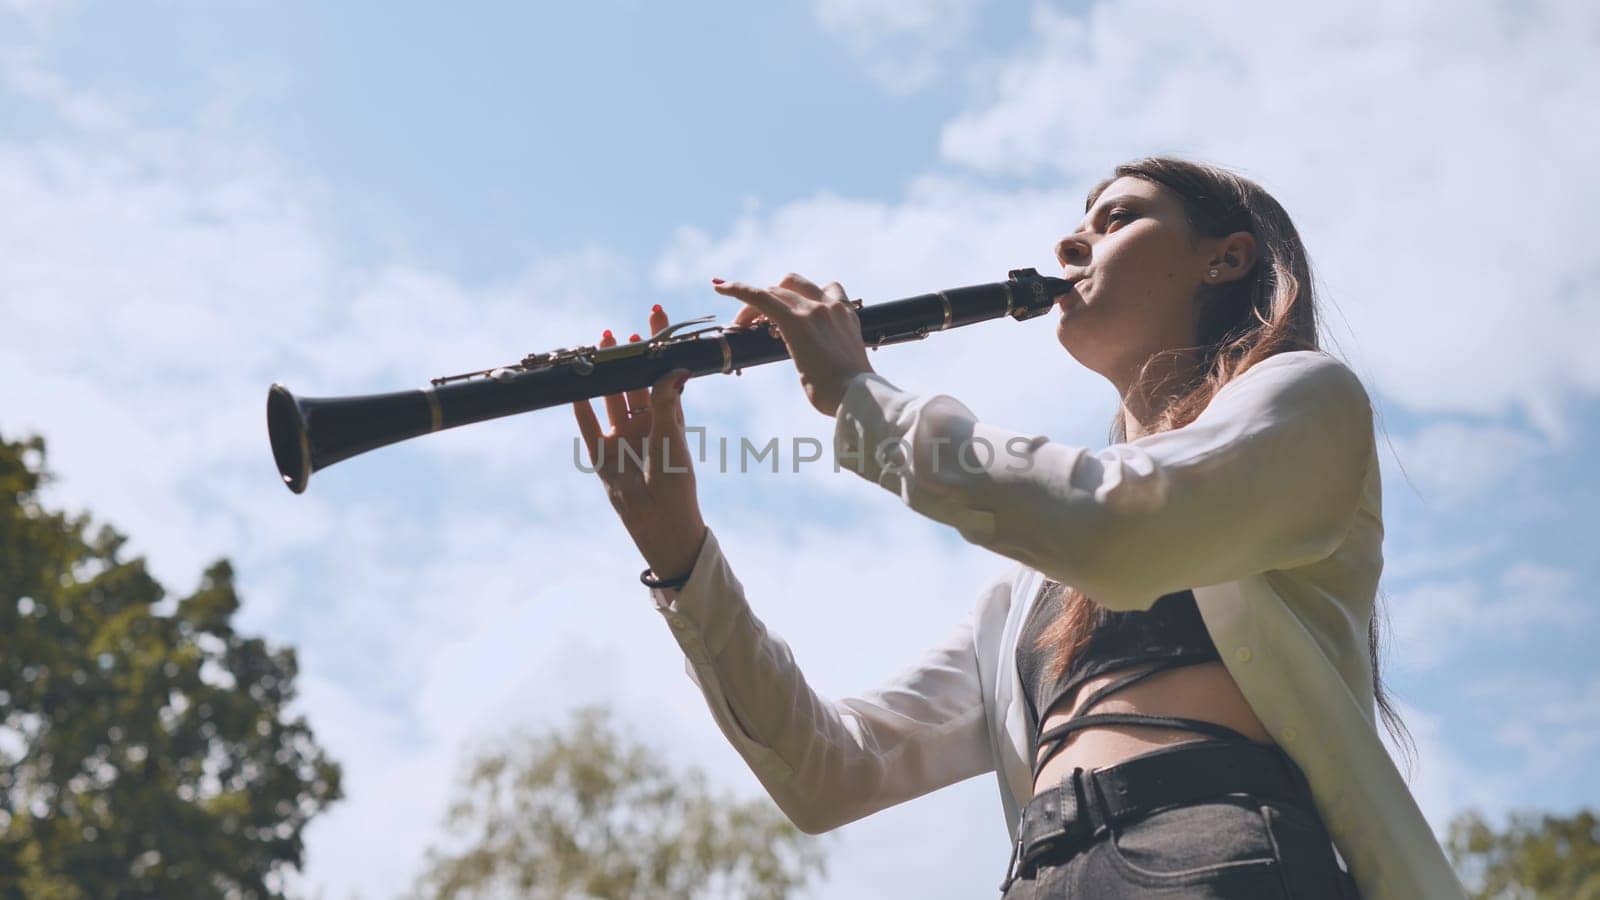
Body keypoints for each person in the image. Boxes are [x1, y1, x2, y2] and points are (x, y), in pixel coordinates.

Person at [572, 157, 1466, 899]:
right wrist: (678, 552)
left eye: (1116, 219)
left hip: (1213, 848)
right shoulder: (1025, 593)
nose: (1072, 241)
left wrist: (862, 397)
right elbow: (830, 773)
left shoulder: (1306, 401)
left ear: (1224, 260)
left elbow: (1120, 527)